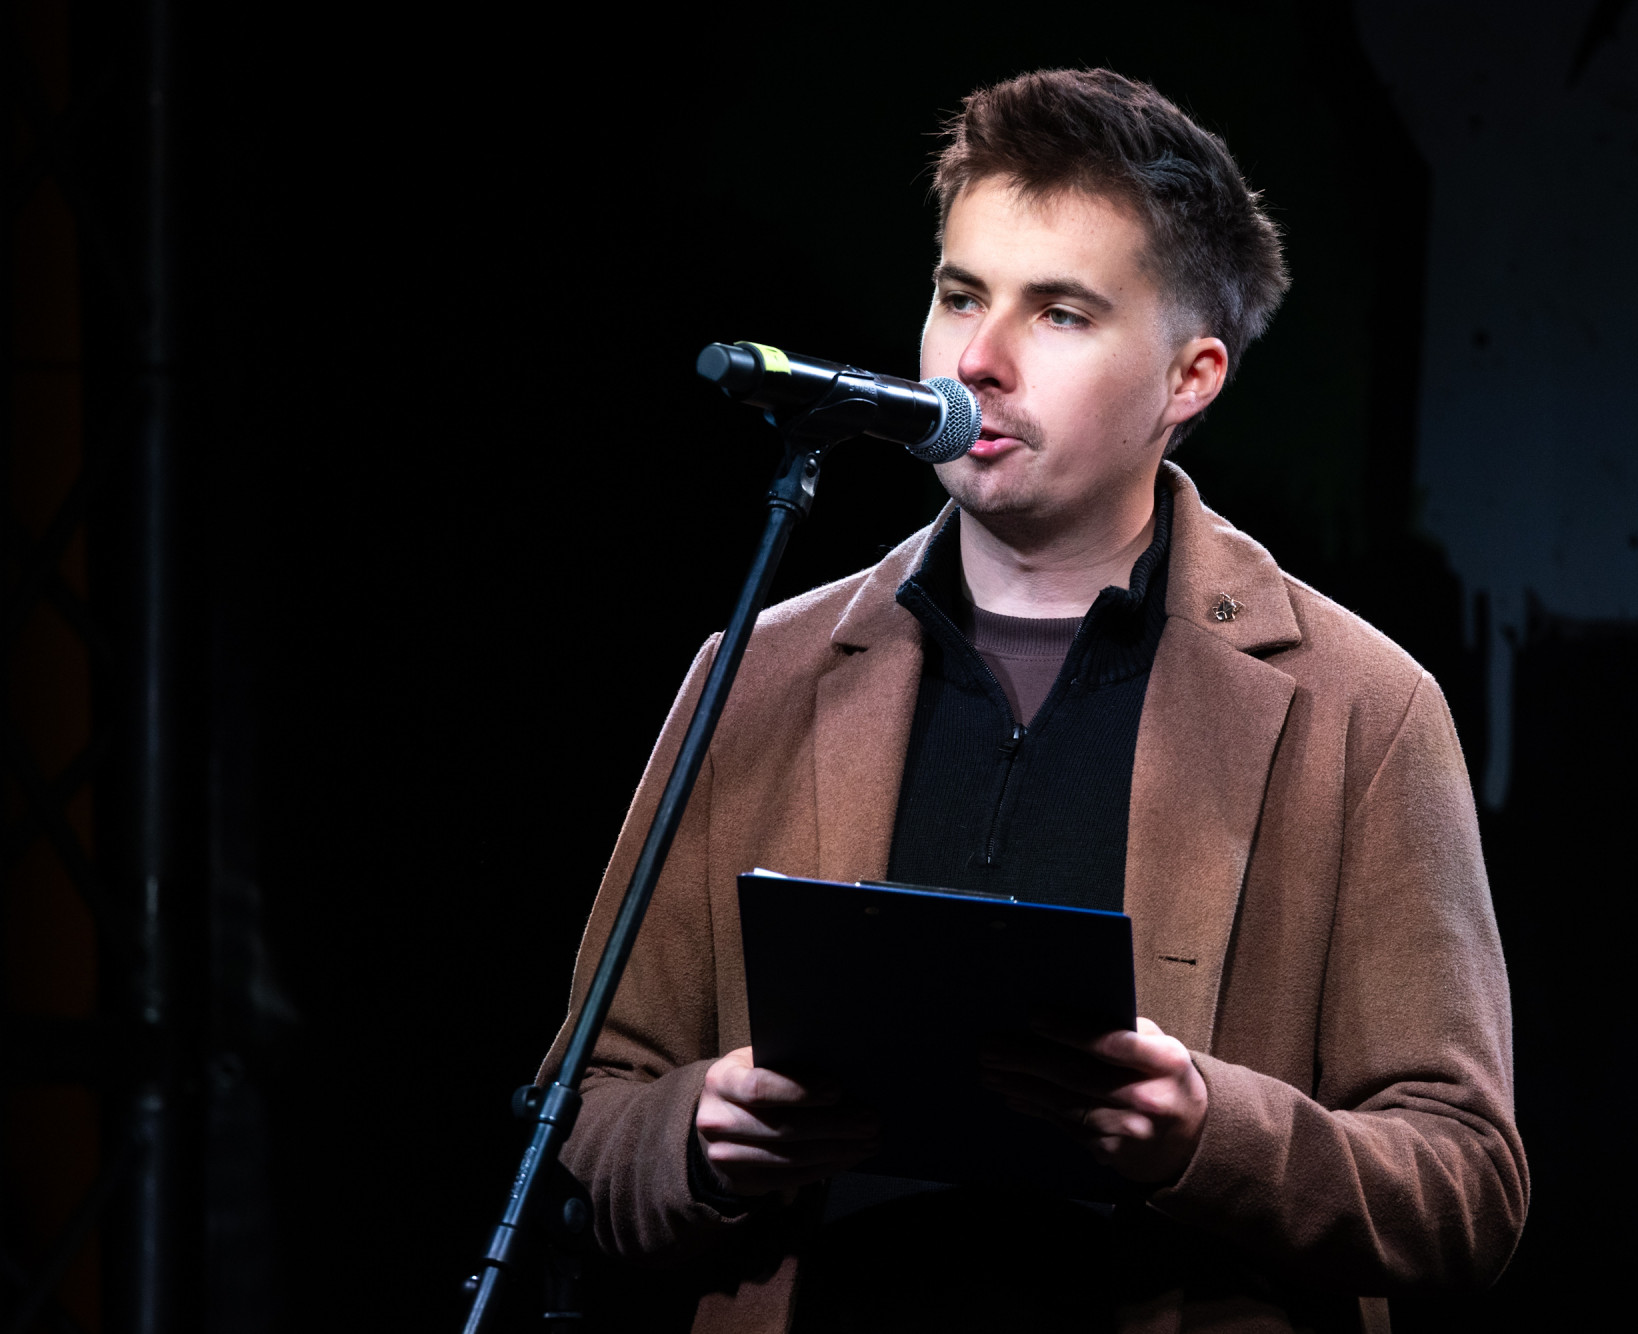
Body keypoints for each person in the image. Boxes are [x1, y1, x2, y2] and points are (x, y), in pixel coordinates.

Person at [542, 68, 1527, 1333]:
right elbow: (584, 1114)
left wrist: (1205, 1130)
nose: (976, 359)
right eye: (959, 295)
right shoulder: (758, 670)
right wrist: (696, 1132)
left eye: (1058, 313)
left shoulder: (1360, 708)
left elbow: (1463, 1186)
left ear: (1189, 377)